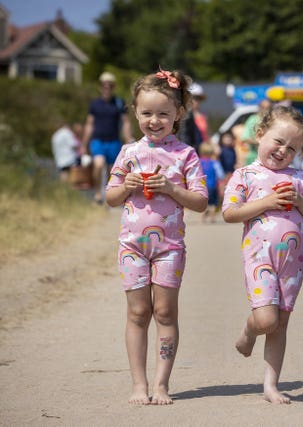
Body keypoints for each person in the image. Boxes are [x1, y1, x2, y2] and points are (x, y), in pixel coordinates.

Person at [105, 68, 208, 405]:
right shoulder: (128, 153)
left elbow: (201, 201)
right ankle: (139, 384)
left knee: (164, 313)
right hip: (132, 246)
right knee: (137, 313)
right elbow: (109, 196)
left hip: (169, 248)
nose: (154, 120)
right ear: (135, 111)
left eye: (163, 113)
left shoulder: (186, 155)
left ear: (178, 113)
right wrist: (125, 187)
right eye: (147, 113)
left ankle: (162, 384)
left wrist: (172, 188)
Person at [222, 104, 303, 404]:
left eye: (292, 148)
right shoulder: (246, 175)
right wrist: (266, 201)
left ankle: (271, 385)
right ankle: (249, 331)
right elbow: (230, 213)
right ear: (260, 134)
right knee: (266, 320)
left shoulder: (299, 179)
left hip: (292, 264)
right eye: (278, 142)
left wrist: (301, 202)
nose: (283, 151)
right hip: (260, 260)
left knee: (280, 323)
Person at [82, 71, 133, 204]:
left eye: (110, 85)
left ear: (113, 87)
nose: (107, 88)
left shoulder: (119, 102)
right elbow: (89, 124)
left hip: (114, 142)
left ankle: (112, 196)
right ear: (100, 86)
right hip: (98, 141)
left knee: (114, 172)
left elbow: (126, 122)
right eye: (104, 85)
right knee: (98, 165)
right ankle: (98, 194)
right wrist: (84, 144)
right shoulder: (95, 104)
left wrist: (128, 139)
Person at [241, 99, 272, 166]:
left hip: (269, 157)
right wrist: (260, 142)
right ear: (259, 108)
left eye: (268, 108)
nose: (266, 110)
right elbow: (244, 138)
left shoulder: (272, 121)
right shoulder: (252, 119)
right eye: (263, 107)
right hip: (253, 157)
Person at [199, 141, 224, 223]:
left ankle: (202, 218)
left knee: (203, 203)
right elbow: (220, 175)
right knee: (213, 202)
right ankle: (212, 218)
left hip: (201, 186)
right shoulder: (215, 163)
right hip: (213, 186)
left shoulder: (198, 162)